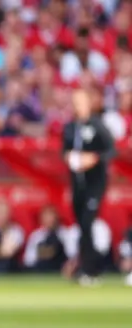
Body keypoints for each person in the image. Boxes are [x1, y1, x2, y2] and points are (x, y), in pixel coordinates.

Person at [62, 89, 116, 284]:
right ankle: (85, 267)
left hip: (95, 183)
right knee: (81, 226)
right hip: (77, 183)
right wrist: (70, 157)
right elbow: (64, 150)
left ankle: (91, 269)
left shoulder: (97, 125)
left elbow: (111, 150)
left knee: (87, 222)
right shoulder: (70, 127)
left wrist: (93, 158)